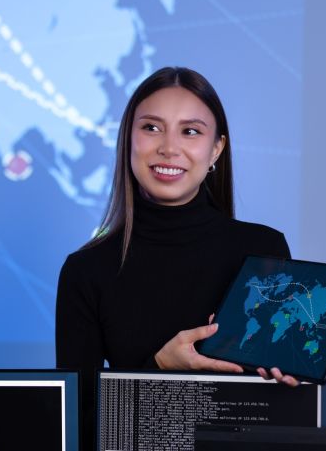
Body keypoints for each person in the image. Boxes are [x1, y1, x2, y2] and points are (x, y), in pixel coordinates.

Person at [55, 67, 295, 450]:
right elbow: (78, 429)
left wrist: (290, 377)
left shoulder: (264, 250)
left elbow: (280, 412)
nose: (169, 147)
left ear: (216, 149)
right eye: (151, 128)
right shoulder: (86, 270)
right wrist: (161, 368)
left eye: (191, 131)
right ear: (127, 140)